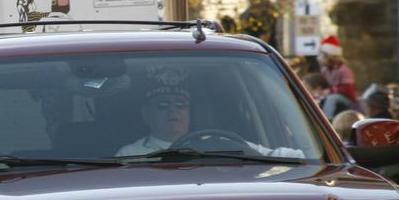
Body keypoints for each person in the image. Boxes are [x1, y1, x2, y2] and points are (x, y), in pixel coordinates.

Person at [116, 66, 303, 158]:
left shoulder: (220, 143)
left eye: (180, 104)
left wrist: (311, 158)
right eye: (163, 104)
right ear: (146, 115)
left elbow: (273, 157)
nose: (173, 109)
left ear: (189, 112)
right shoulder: (131, 154)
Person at [317, 35, 358, 105]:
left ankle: (326, 116)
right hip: (333, 97)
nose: (318, 57)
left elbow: (349, 89)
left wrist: (331, 90)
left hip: (347, 100)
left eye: (322, 55)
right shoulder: (324, 70)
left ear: (329, 57)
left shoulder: (344, 70)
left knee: (332, 98)